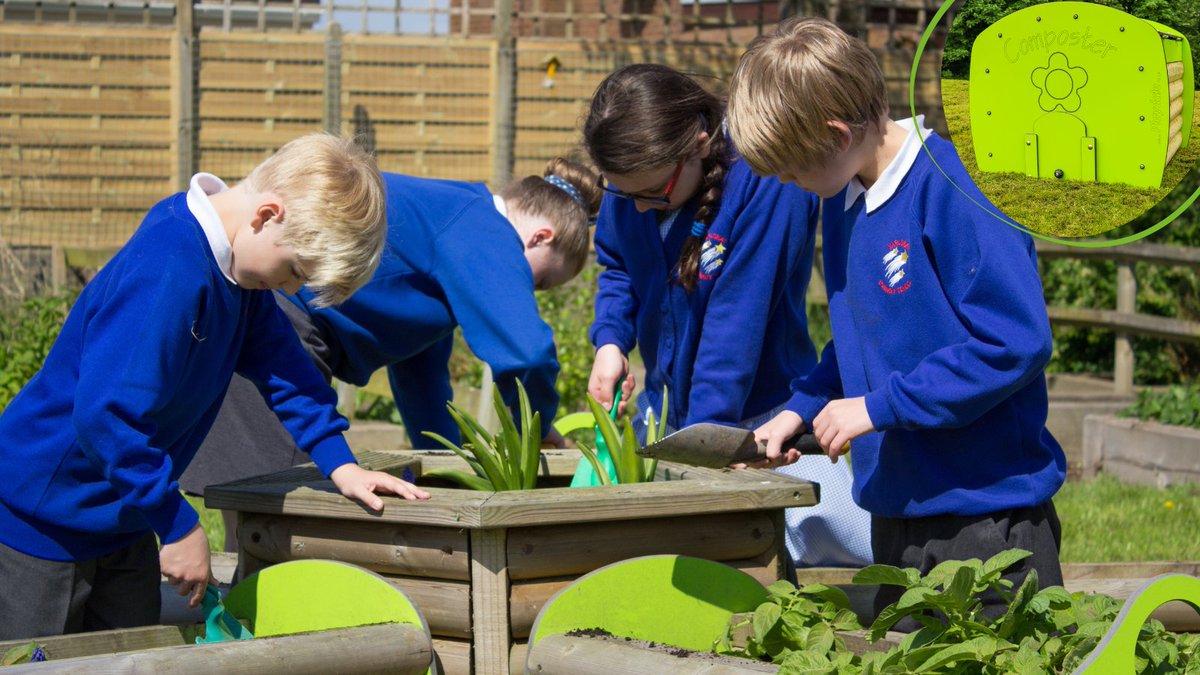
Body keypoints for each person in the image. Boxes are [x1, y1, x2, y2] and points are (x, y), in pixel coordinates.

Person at [0, 133, 430, 641]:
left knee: (132, 656)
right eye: (294, 271)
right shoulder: (171, 267)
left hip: (123, 515)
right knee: (37, 662)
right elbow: (106, 416)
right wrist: (179, 524)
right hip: (45, 521)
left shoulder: (238, 276)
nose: (291, 289)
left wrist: (340, 461)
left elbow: (286, 370)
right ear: (267, 215)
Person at [727, 16, 1066, 622]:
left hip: (986, 519)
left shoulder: (957, 188)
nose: (787, 184)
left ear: (835, 135)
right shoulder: (848, 202)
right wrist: (797, 411)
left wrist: (877, 408)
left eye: (791, 169)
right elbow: (860, 340)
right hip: (898, 515)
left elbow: (1014, 342)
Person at [181, 158, 602, 550]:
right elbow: (526, 352)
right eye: (541, 280)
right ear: (538, 237)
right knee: (273, 513)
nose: (526, 290)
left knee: (261, 513)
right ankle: (248, 618)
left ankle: (240, 609)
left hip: (275, 322)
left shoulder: (447, 229)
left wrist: (444, 475)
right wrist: (539, 424)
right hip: (281, 330)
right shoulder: (483, 226)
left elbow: (421, 379)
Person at [583, 63, 872, 569]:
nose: (641, 209)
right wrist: (610, 341)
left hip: (766, 426)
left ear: (697, 143)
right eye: (624, 196)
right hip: (671, 421)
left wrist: (705, 455)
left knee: (852, 554)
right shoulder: (636, 185)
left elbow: (733, 335)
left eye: (651, 194)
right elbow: (617, 265)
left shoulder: (764, 181)